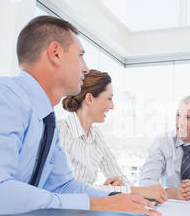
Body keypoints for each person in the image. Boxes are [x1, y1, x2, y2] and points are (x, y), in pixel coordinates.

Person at [0, 15, 161, 216]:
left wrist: (115, 199)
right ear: (55, 53)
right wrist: (94, 205)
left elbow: (62, 185)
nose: (85, 68)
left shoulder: (45, 119)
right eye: (80, 56)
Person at [58, 69, 168, 203]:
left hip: (86, 209)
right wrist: (133, 190)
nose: (112, 106)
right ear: (89, 99)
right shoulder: (61, 131)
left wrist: (120, 186)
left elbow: (120, 178)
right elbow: (70, 188)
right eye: (109, 99)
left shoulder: (96, 136)